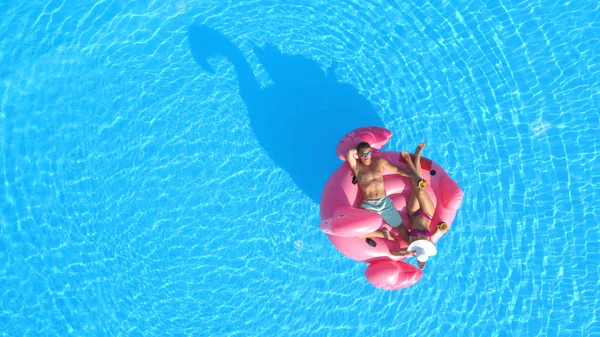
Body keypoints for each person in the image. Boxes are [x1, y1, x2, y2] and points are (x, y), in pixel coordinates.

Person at [346, 142, 417, 242]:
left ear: (371, 152)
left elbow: (396, 169)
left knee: (400, 227)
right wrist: (358, 151)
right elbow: (349, 152)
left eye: (368, 154)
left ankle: (413, 248)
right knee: (359, 234)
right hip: (368, 205)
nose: (366, 157)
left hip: (384, 203)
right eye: (363, 155)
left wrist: (412, 175)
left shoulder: (379, 161)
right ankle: (382, 233)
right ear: (358, 155)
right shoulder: (356, 167)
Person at [390, 142, 436, 270]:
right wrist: (441, 228)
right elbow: (435, 233)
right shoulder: (429, 245)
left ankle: (414, 158)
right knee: (420, 188)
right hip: (428, 214)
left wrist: (409, 253)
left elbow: (393, 253)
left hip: (413, 213)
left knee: (418, 186)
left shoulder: (410, 243)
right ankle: (415, 157)